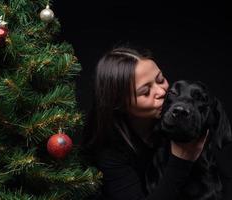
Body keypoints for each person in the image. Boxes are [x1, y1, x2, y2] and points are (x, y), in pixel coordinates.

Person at [81, 46, 209, 200]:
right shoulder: (108, 153)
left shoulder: (172, 119)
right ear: (120, 105)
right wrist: (181, 161)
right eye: (146, 92)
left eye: (160, 80)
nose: (162, 92)